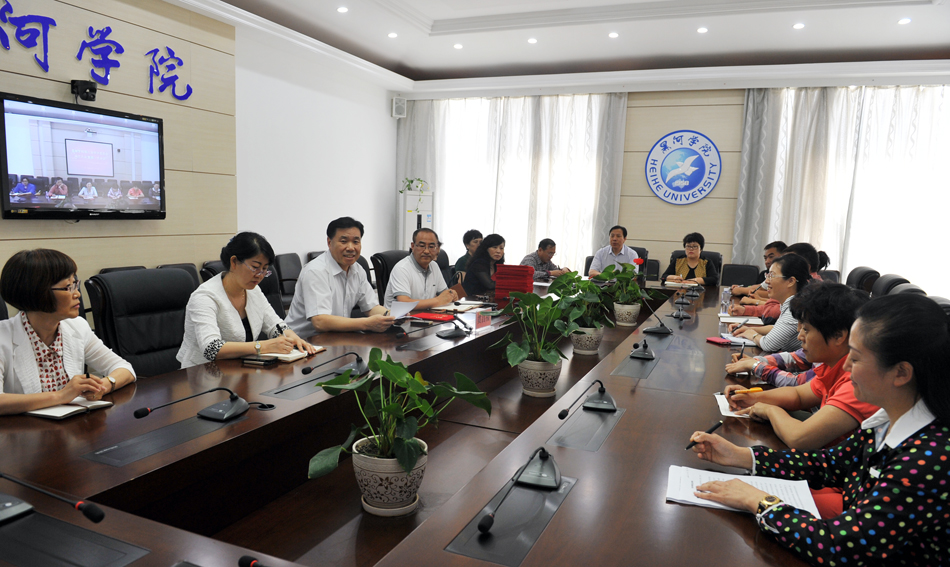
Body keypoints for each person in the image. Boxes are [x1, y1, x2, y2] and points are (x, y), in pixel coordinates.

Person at [689, 293, 950, 565]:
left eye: (856, 358)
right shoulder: (887, 419)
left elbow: (840, 547)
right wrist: (741, 456)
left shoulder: (929, 459)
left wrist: (758, 501)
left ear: (901, 373)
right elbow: (829, 463)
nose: (846, 366)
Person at [724, 283, 877, 450]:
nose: (800, 336)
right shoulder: (832, 364)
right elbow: (799, 395)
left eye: (806, 329)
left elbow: (798, 438)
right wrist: (751, 397)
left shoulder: (858, 382)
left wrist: (770, 410)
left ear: (838, 335)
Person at [0, 249, 136, 415]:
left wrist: (103, 386)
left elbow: (124, 368)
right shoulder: (3, 337)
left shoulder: (77, 326)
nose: (77, 293)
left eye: (75, 284)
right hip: (21, 430)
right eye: (68, 287)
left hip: (72, 428)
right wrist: (60, 396)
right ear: (37, 292)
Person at [177, 232, 316, 369]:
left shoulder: (253, 291)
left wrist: (293, 338)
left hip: (240, 370)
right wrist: (263, 346)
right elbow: (212, 348)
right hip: (203, 373)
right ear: (234, 262)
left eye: (265, 269)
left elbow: (275, 325)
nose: (260, 275)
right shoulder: (205, 297)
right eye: (255, 267)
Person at [284, 217, 394, 335]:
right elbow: (320, 321)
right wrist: (366, 324)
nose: (351, 248)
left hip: (335, 337)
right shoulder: (316, 271)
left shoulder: (357, 270)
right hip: (301, 340)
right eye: (344, 241)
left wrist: (391, 315)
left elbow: (371, 307)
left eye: (356, 242)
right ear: (329, 242)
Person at [730, 254, 811, 353]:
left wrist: (752, 334)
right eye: (767, 275)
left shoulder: (796, 307)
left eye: (772, 276)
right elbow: (778, 329)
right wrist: (748, 329)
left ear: (791, 281)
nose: (767, 281)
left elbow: (768, 344)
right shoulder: (793, 302)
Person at [383, 228, 457, 310]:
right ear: (413, 246)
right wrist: (438, 300)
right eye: (422, 246)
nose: (426, 251)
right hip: (399, 317)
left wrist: (451, 294)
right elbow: (404, 303)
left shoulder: (434, 266)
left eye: (431, 247)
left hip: (426, 315)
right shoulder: (402, 268)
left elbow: (444, 294)